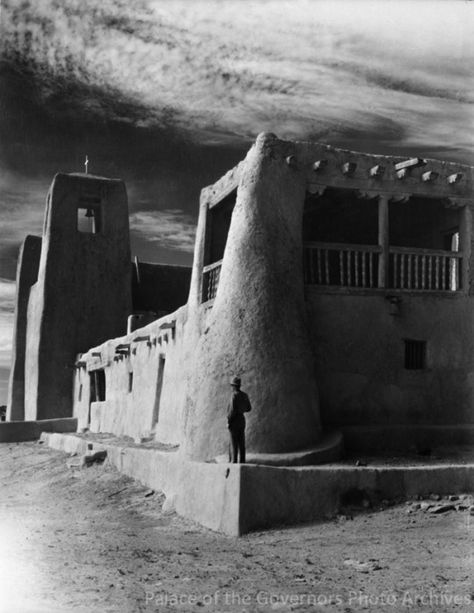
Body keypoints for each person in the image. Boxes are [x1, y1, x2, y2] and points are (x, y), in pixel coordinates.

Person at [227, 376, 251, 463]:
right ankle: (242, 462)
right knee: (241, 442)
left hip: (234, 421)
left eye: (231, 385)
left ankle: (234, 462)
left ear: (234, 386)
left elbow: (232, 411)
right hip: (242, 420)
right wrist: (242, 409)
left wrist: (229, 421)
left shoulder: (234, 396)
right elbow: (249, 408)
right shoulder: (245, 395)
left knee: (233, 443)